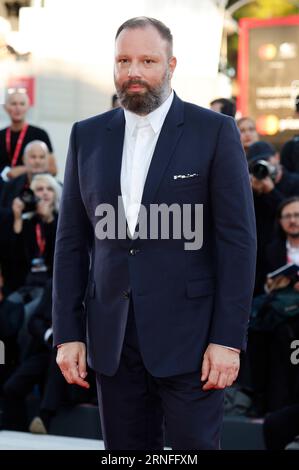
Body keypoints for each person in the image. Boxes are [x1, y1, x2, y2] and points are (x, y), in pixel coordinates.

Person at [52, 16, 256, 450]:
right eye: (124, 60)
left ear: (171, 64)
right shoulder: (87, 136)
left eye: (148, 60)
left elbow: (237, 243)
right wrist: (69, 332)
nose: (134, 72)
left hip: (194, 342)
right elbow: (71, 242)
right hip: (112, 341)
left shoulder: (213, 131)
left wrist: (228, 341)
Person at [0, 90, 57, 181]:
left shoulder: (40, 134)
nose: (18, 108)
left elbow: (52, 169)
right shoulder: (1, 135)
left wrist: (23, 170)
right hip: (4, 191)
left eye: (22, 104)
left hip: (32, 190)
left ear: (28, 107)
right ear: (5, 108)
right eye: (13, 104)